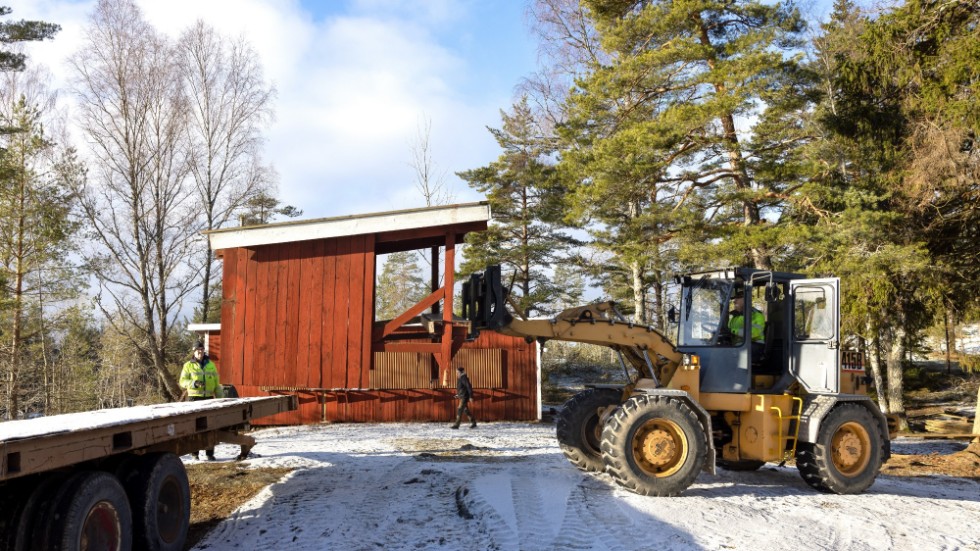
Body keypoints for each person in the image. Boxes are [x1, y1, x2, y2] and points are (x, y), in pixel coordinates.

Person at [179, 341, 224, 460]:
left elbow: (216, 385)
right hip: (194, 399)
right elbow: (182, 382)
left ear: (204, 351)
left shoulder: (211, 365)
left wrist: (222, 400)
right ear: (194, 352)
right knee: (194, 427)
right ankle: (195, 454)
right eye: (198, 350)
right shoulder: (188, 365)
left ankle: (210, 454)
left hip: (208, 399)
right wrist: (193, 383)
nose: (200, 352)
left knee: (210, 427)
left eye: (202, 350)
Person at [729, 292, 766, 359]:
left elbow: (753, 333)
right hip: (740, 345)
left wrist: (734, 331)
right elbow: (728, 329)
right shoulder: (735, 317)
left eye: (737, 299)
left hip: (755, 346)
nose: (734, 301)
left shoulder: (756, 315)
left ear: (744, 300)